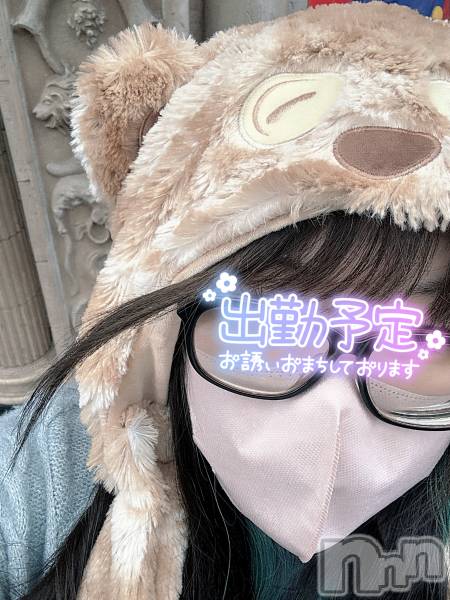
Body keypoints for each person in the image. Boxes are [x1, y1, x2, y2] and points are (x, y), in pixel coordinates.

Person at [1, 1, 449, 598]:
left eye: (415, 335)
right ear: (167, 324)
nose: (335, 410)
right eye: (273, 313)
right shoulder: (56, 469)